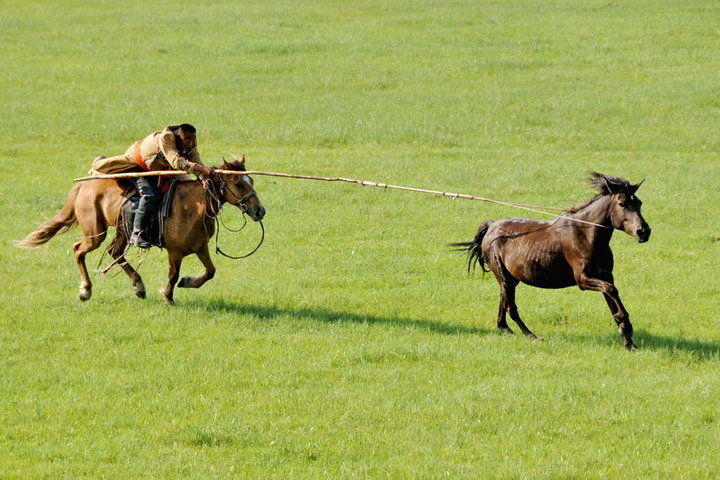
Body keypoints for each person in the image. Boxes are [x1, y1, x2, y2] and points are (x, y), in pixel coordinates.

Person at [89, 124, 215, 248]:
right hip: (139, 166)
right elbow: (177, 162)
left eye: (193, 139)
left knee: (185, 187)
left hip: (163, 167)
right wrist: (202, 168)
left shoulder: (190, 142)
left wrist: (202, 176)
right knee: (151, 195)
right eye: (187, 139)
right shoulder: (166, 138)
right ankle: (137, 232)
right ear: (178, 135)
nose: (191, 143)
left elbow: (195, 159)